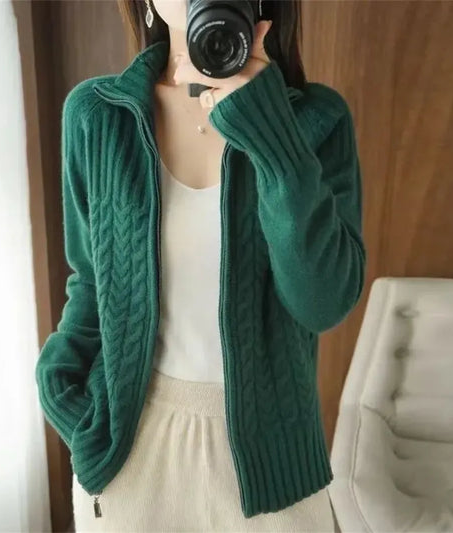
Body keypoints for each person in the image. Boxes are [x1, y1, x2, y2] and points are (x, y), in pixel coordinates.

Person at [35, 0, 366, 531]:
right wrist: (62, 388)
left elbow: (323, 302)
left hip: (273, 471)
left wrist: (271, 135)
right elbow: (92, 283)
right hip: (129, 457)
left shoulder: (316, 120)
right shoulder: (97, 115)